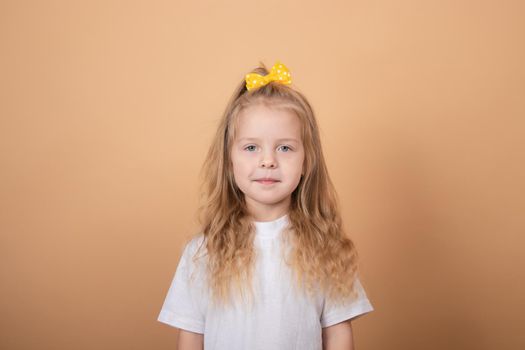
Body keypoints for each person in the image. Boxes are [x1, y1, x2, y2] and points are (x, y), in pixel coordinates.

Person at [157, 62, 374, 349]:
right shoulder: (203, 251)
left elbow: (337, 333)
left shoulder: (324, 247)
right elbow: (192, 335)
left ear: (306, 161)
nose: (268, 160)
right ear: (229, 159)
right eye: (251, 148)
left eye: (284, 148)